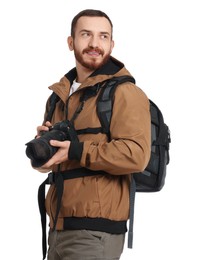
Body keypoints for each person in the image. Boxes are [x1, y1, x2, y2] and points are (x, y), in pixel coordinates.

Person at [32, 9, 151, 260]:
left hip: (95, 233)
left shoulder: (125, 92)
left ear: (112, 43)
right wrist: (45, 154)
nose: (95, 44)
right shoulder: (58, 97)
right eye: (86, 34)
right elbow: (54, 165)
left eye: (103, 36)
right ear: (71, 41)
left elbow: (137, 156)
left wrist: (76, 150)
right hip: (57, 228)